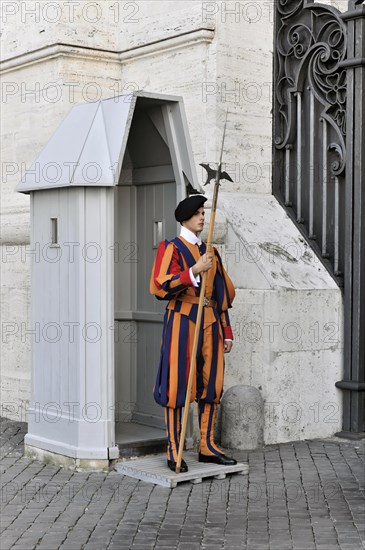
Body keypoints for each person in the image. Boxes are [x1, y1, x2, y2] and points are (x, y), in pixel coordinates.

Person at [149, 194, 237, 473]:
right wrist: (193, 271)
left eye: (203, 212)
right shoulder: (171, 248)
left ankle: (207, 446)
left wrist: (227, 330)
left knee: (212, 384)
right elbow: (160, 286)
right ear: (185, 218)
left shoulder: (210, 250)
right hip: (182, 321)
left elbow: (219, 294)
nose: (202, 217)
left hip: (211, 321)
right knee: (177, 384)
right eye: (197, 213)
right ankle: (173, 449)